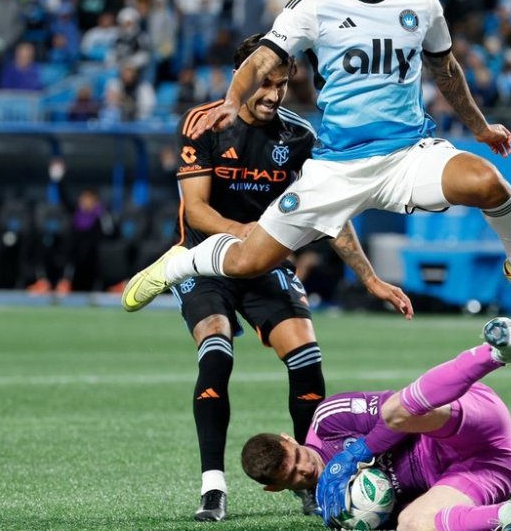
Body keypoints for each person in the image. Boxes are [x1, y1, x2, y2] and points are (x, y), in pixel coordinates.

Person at [122, 0, 511, 314]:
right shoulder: (314, 6)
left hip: (408, 154)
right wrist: (231, 99)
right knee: (247, 260)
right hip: (338, 166)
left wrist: (481, 128)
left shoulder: (421, 2)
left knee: (489, 182)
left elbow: (446, 70)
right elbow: (265, 56)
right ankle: (180, 263)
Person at [165, 33, 410, 523]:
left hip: (265, 266)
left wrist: (370, 279)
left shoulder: (299, 137)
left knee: (307, 358)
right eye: (266, 82)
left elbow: (332, 216)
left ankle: (312, 472)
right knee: (217, 351)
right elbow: (196, 209)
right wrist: (251, 236)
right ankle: (212, 486)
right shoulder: (205, 124)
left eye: (283, 84)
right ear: (243, 76)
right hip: (204, 260)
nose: (274, 94)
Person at [241, 317, 511, 531]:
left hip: (466, 425)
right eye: (292, 475)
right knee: (412, 524)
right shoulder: (334, 510)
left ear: (289, 440)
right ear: (275, 488)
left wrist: (356, 454)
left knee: (395, 411)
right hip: (485, 472)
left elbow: (407, 412)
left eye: (297, 458)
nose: (304, 469)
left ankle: (497, 351)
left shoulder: (328, 420)